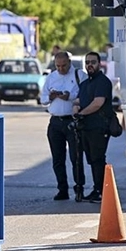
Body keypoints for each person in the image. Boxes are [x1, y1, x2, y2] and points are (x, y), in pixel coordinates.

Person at [40, 51, 88, 202]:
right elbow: (42, 99)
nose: (61, 69)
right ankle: (62, 189)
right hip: (55, 122)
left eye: (64, 65)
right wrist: (51, 96)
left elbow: (86, 96)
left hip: (72, 121)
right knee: (58, 159)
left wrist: (71, 96)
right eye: (58, 66)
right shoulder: (51, 77)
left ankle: (79, 188)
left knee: (76, 157)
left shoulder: (79, 75)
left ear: (69, 62)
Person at [73, 51, 113, 203]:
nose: (90, 65)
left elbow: (98, 103)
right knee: (91, 159)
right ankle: (97, 189)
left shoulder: (102, 82)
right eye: (87, 62)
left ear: (99, 64)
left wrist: (81, 113)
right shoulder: (85, 83)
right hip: (86, 128)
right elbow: (78, 100)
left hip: (99, 127)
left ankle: (102, 190)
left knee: (97, 159)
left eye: (93, 62)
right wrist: (75, 108)